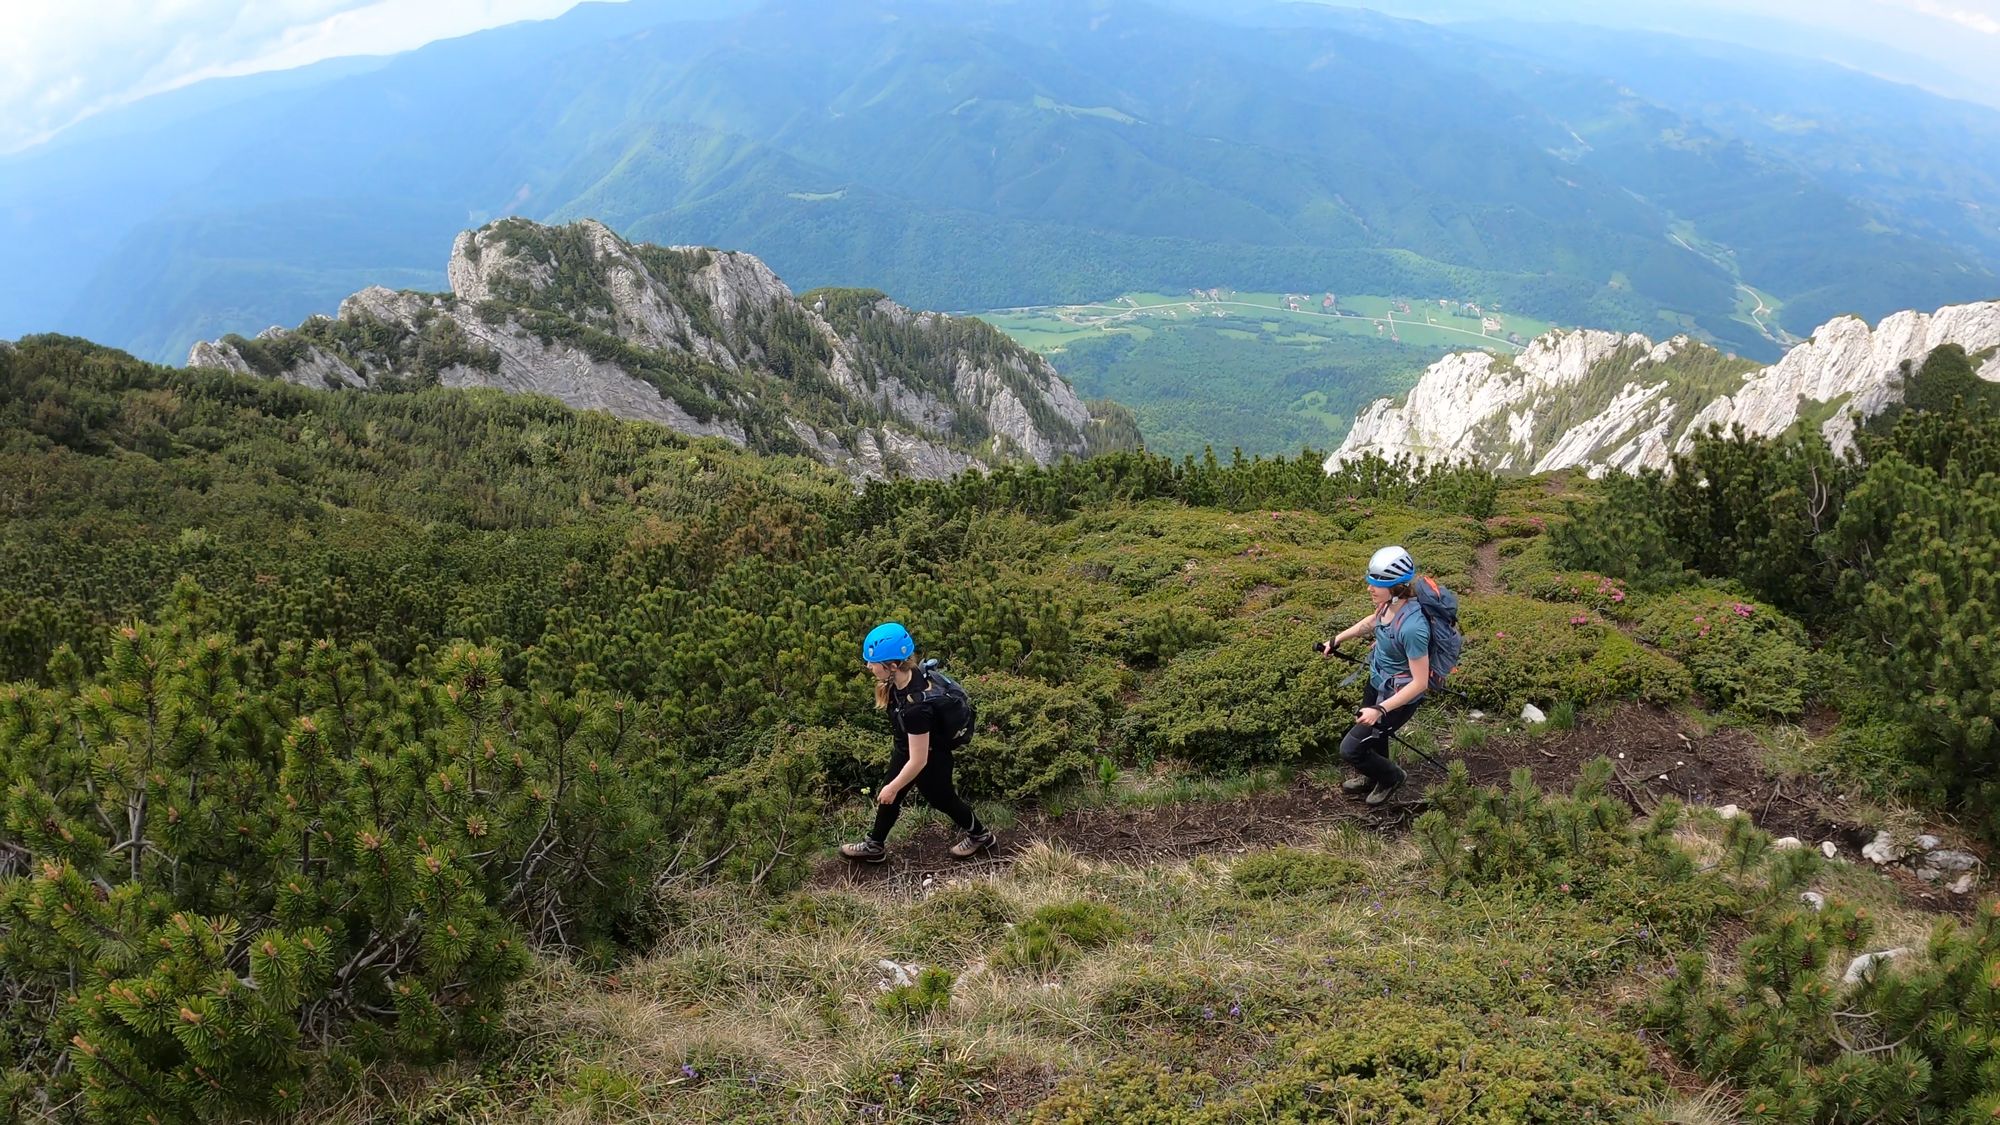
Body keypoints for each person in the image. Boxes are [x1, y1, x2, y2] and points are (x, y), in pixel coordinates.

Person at [840, 622, 996, 863]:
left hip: (931, 758)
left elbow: (919, 759)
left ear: (892, 666)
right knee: (889, 794)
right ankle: (875, 845)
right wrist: (893, 787)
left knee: (940, 798)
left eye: (873, 663)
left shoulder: (917, 708)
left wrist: (894, 787)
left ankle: (981, 836)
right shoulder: (906, 677)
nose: (868, 667)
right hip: (908, 748)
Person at [1319, 545, 1430, 805]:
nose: (1369, 588)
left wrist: (1380, 709)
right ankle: (1373, 775)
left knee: (1350, 749)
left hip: (1397, 698)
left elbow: (1420, 682)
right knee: (1375, 736)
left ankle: (1392, 777)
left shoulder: (1413, 628)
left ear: (1396, 587)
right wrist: (1337, 639)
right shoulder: (1387, 606)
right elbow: (1371, 622)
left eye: (1376, 584)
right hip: (1378, 682)